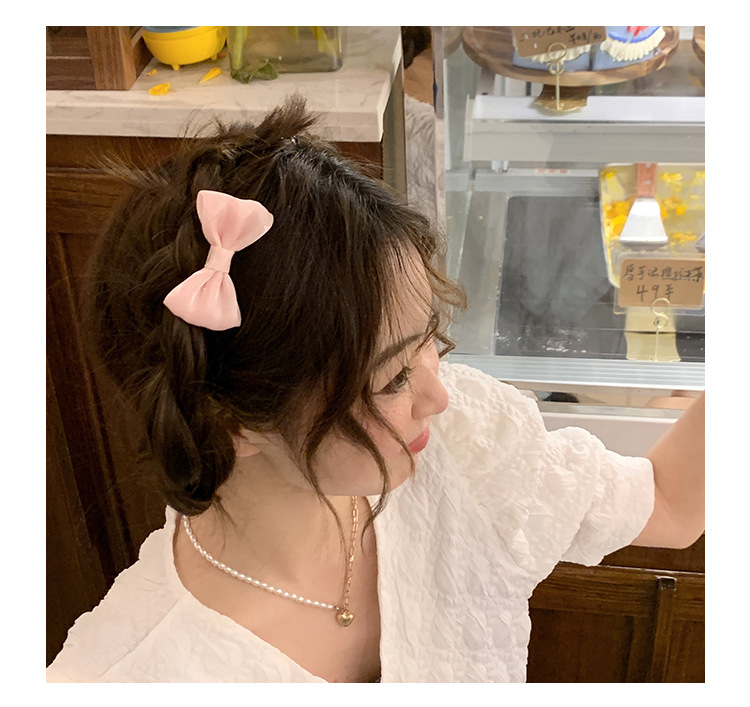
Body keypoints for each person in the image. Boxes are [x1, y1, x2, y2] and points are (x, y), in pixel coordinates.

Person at [46, 97, 705, 683]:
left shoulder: (461, 444)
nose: (439, 395)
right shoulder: (132, 676)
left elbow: (671, 504)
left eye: (430, 336)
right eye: (392, 376)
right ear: (233, 423)